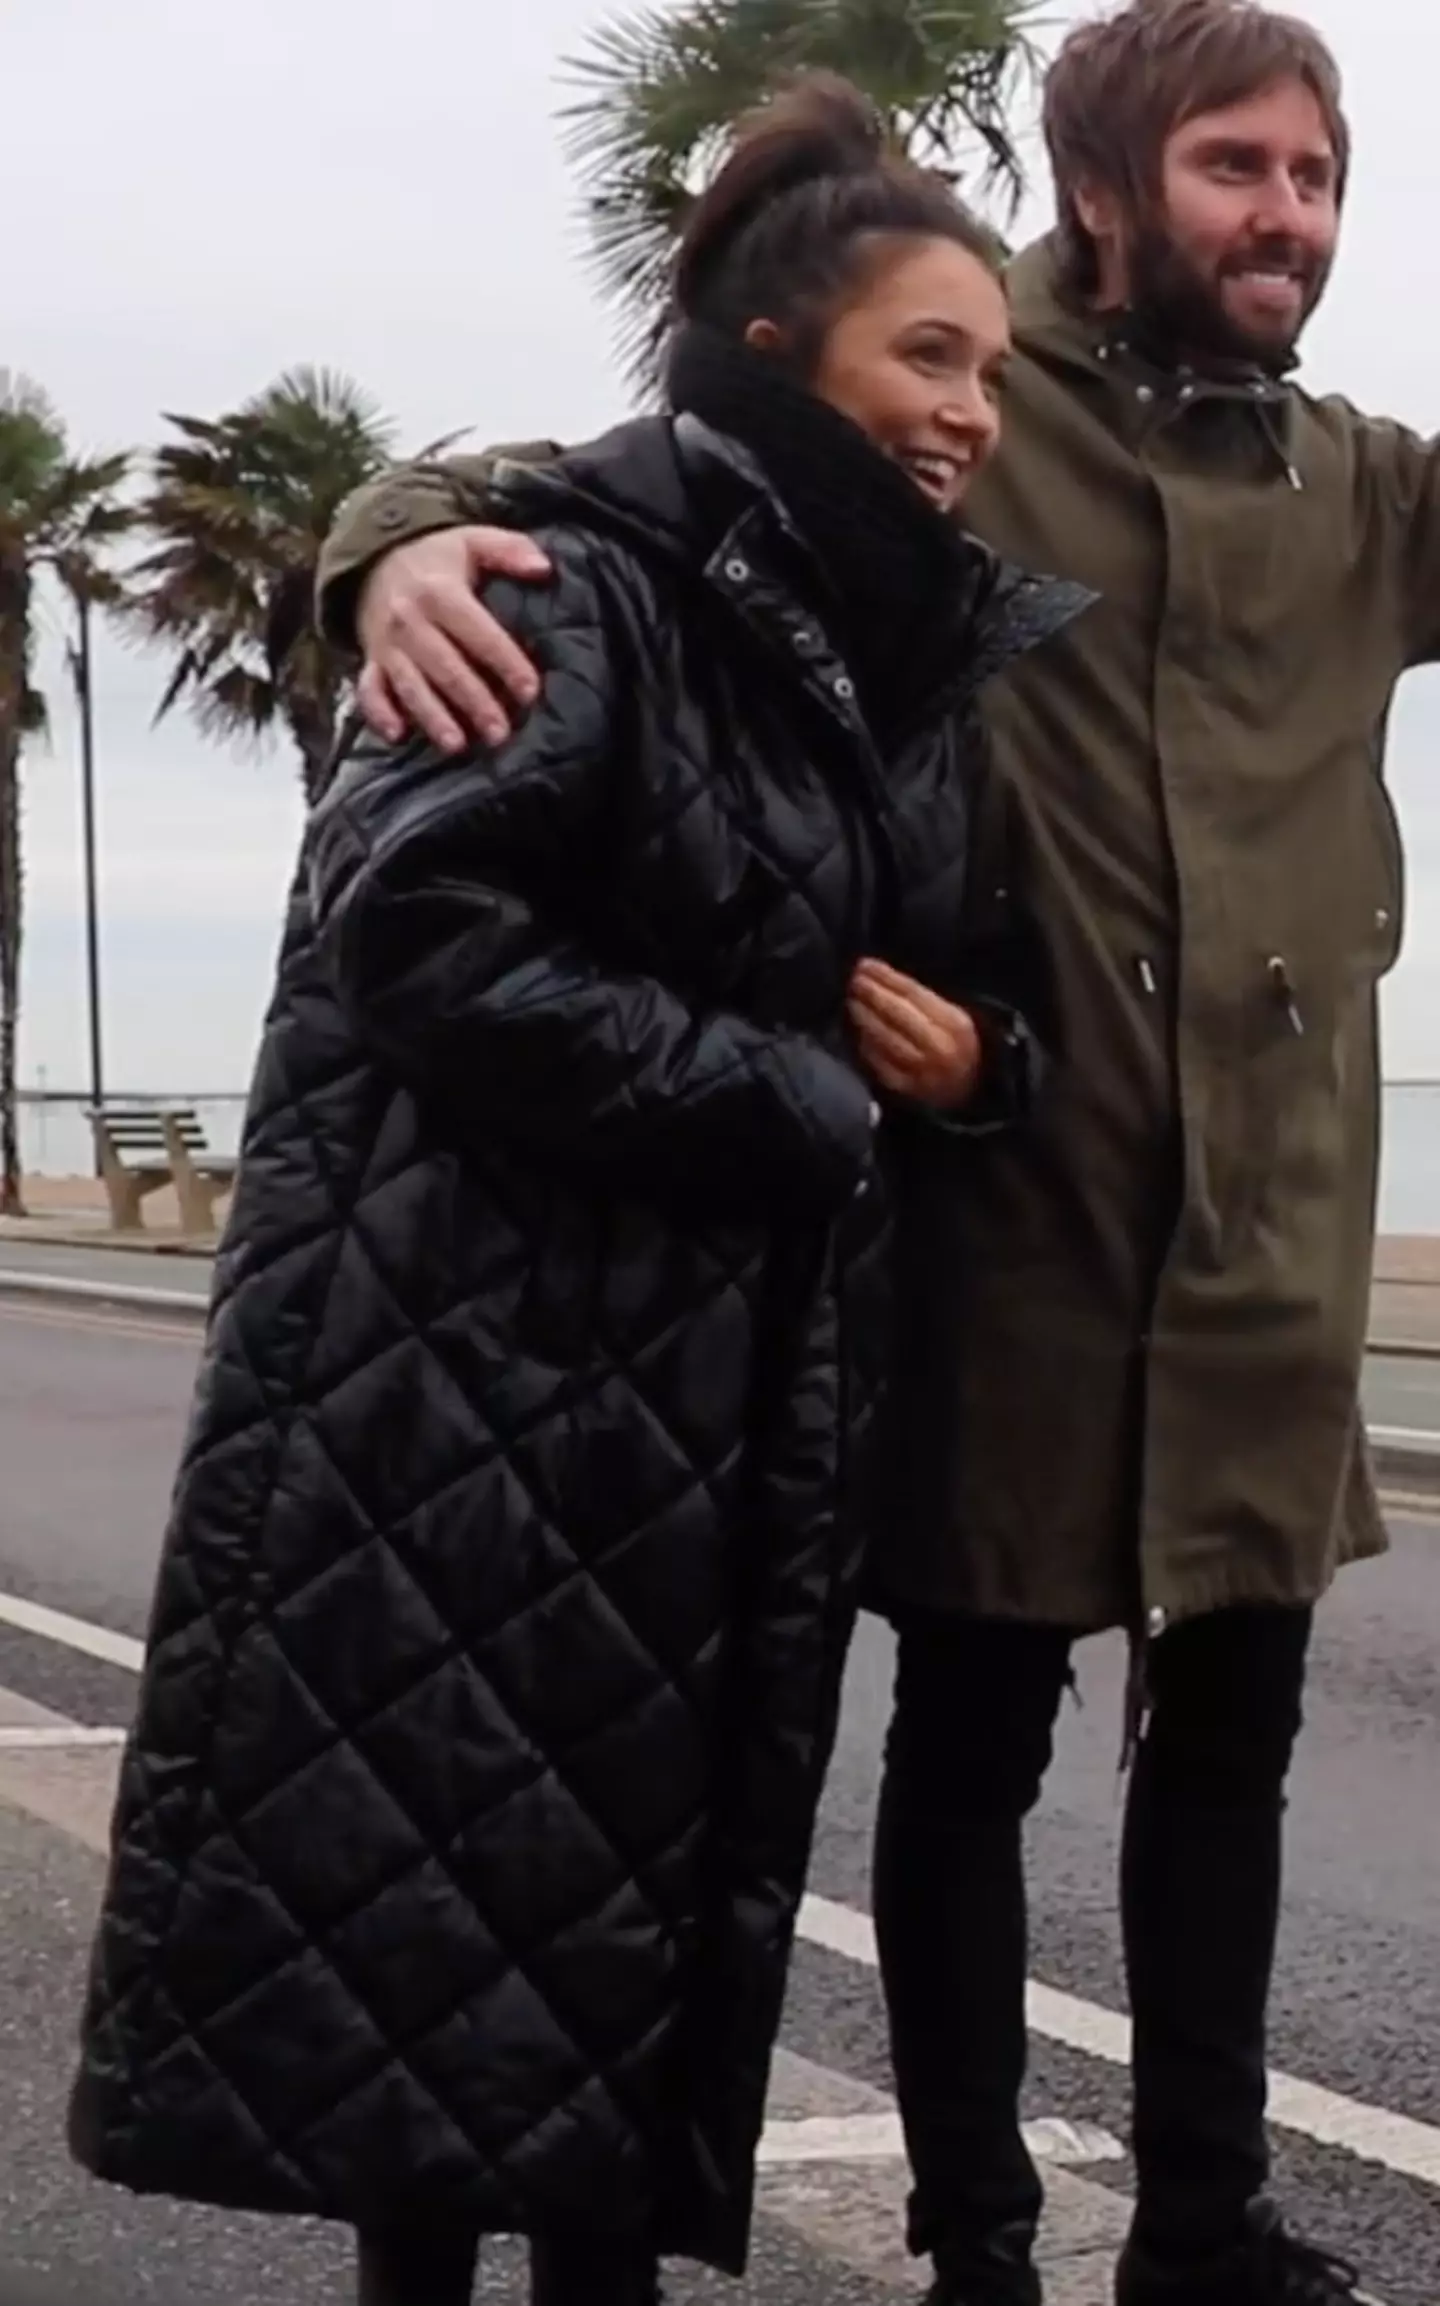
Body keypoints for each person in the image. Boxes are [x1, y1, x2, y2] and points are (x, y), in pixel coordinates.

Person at [311, 6, 1426, 2304]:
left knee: (1233, 1738)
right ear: (1107, 186)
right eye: (1237, 166)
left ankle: (1206, 2224)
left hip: (1272, 1246)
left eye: (1317, 175)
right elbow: (605, 473)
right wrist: (388, 549)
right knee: (976, 1744)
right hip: (994, 1218)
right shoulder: (946, 367)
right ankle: (983, 2235)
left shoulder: (1364, 487)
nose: (1286, 218)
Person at [68, 75, 1077, 2306]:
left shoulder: (890, 666)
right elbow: (416, 932)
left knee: (604, 2022)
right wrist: (798, 1100)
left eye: (994, 371)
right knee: (441, 2035)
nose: (970, 412)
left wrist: (977, 1060)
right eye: (930, 355)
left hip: (687, 1443)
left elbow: (971, 975)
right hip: (472, 1417)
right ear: (781, 346)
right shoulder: (570, 577)